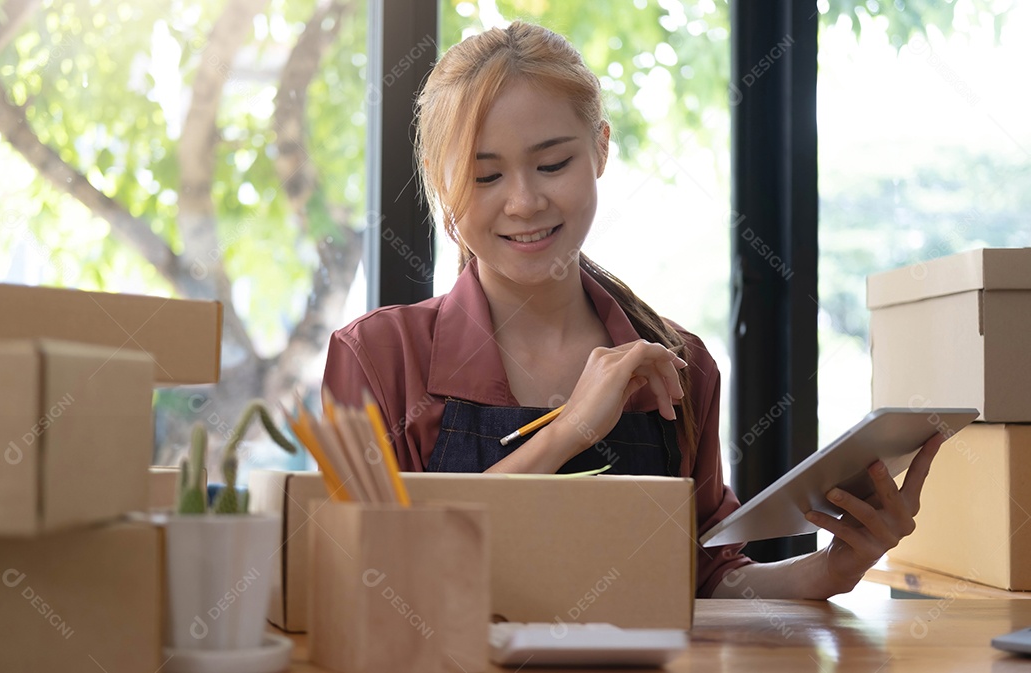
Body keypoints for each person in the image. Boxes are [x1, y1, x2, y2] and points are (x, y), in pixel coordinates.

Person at [323, 20, 940, 599]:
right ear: (440, 177)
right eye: (486, 177)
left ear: (600, 149)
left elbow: (704, 576)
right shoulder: (377, 358)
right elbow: (366, 577)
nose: (524, 201)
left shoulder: (681, 364)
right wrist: (567, 434)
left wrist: (832, 568)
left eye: (553, 163)